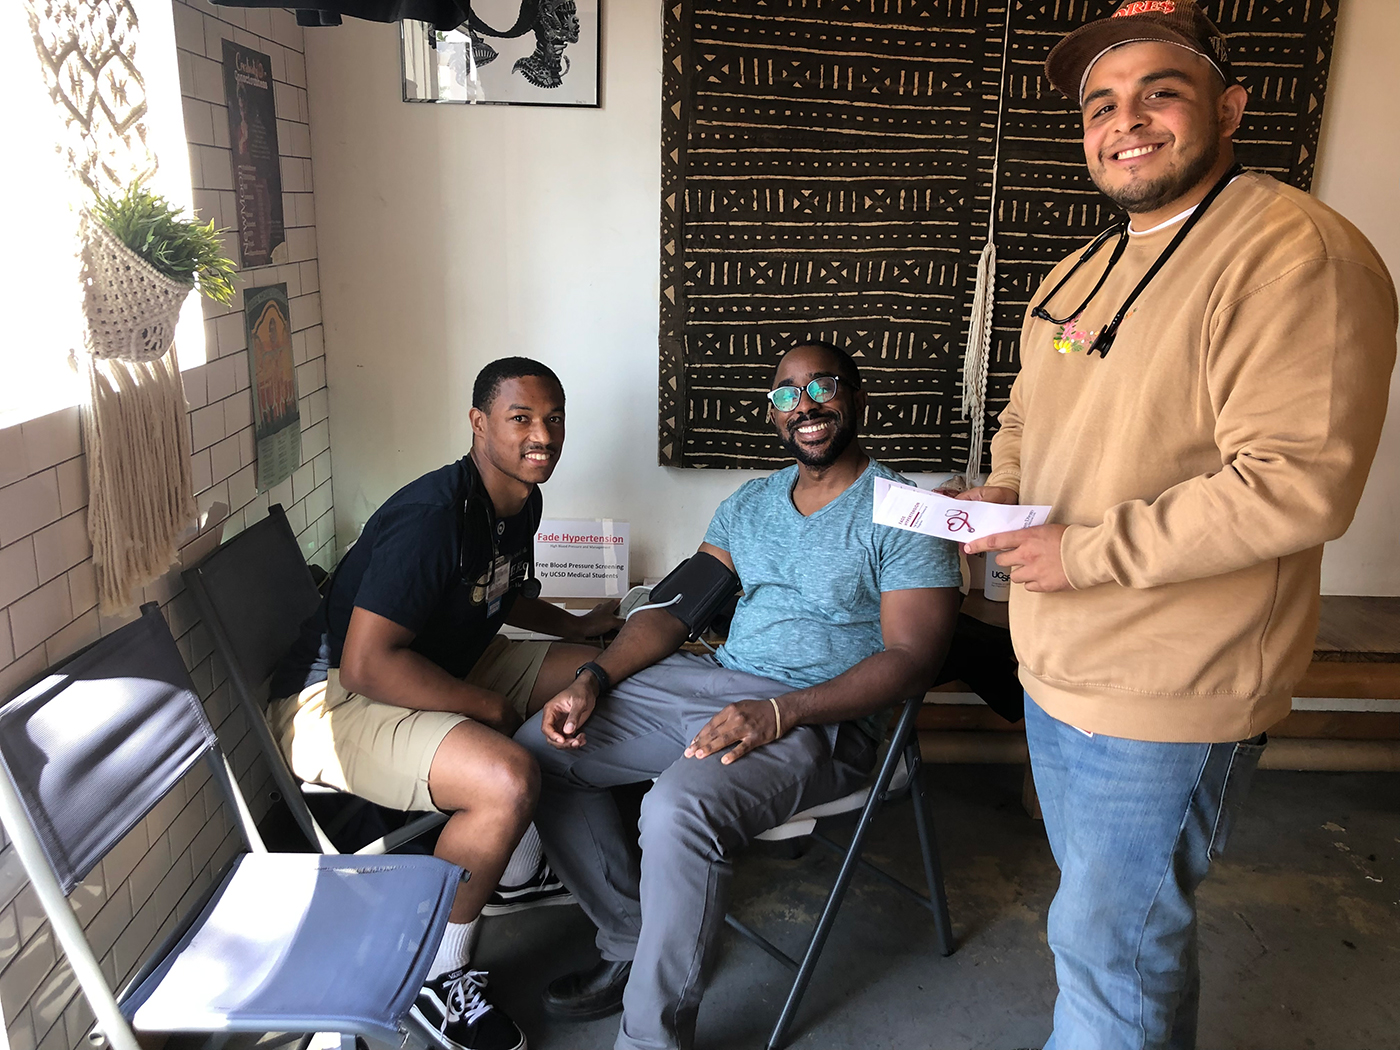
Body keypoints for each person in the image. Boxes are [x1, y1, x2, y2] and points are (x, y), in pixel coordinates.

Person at [953, 4, 1398, 1047]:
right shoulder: (1077, 270)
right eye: (1099, 104)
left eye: (1160, 91)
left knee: (1112, 945)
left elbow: (1293, 484)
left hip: (1169, 682)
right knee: (1102, 934)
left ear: (1228, 106)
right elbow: (1028, 414)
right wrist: (1004, 494)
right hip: (1055, 663)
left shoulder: (1293, 252)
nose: (1125, 120)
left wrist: (1079, 552)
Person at [515, 341, 963, 1050]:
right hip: (716, 684)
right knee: (537, 749)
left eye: (823, 387)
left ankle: (649, 1037)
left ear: (858, 398)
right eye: (787, 394)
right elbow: (672, 611)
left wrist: (783, 710)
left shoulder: (906, 512)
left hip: (823, 719)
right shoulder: (750, 503)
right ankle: (632, 938)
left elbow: (912, 661)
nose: (806, 406)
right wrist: (592, 679)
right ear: (773, 415)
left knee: (676, 809)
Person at [268, 357, 623, 1050]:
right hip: (331, 696)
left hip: (434, 660)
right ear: (478, 423)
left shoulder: (521, 496)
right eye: (521, 419)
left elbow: (500, 589)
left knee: (599, 671)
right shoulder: (432, 516)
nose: (541, 435)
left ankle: (514, 869)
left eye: (552, 420)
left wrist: (580, 627)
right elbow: (368, 665)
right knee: (506, 775)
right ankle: (436, 974)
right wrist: (482, 705)